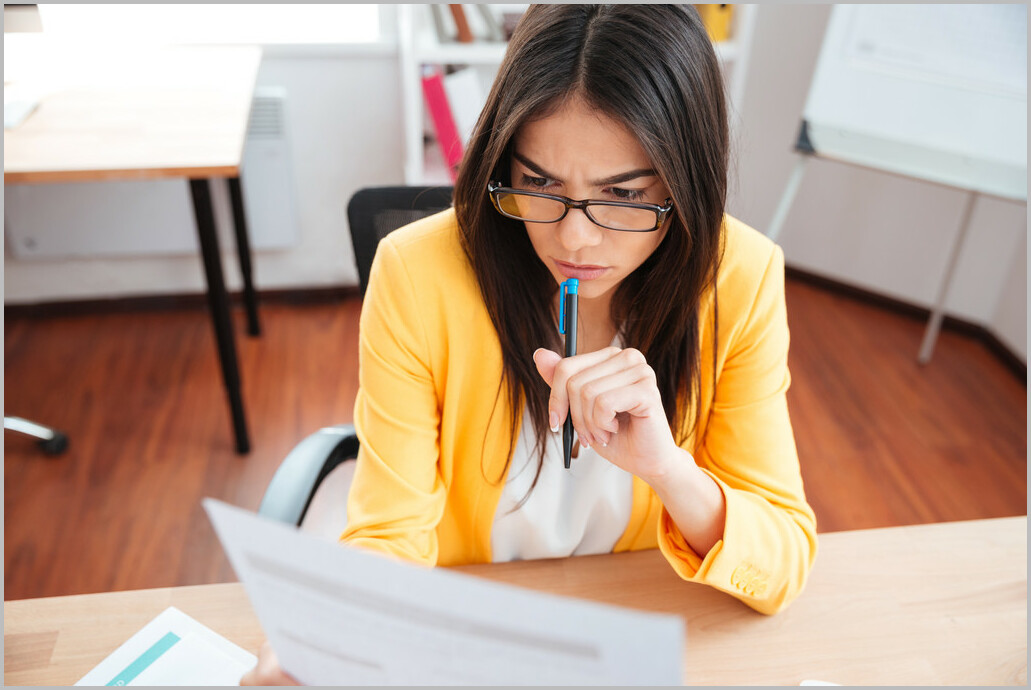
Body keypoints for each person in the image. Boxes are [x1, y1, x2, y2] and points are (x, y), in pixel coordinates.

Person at [242, 4, 817, 685]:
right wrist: (333, 635)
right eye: (540, 183)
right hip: (464, 626)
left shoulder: (739, 278)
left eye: (621, 194)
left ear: (684, 180)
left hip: (632, 625)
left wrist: (669, 470)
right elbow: (389, 533)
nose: (574, 239)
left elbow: (782, 562)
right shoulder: (416, 272)